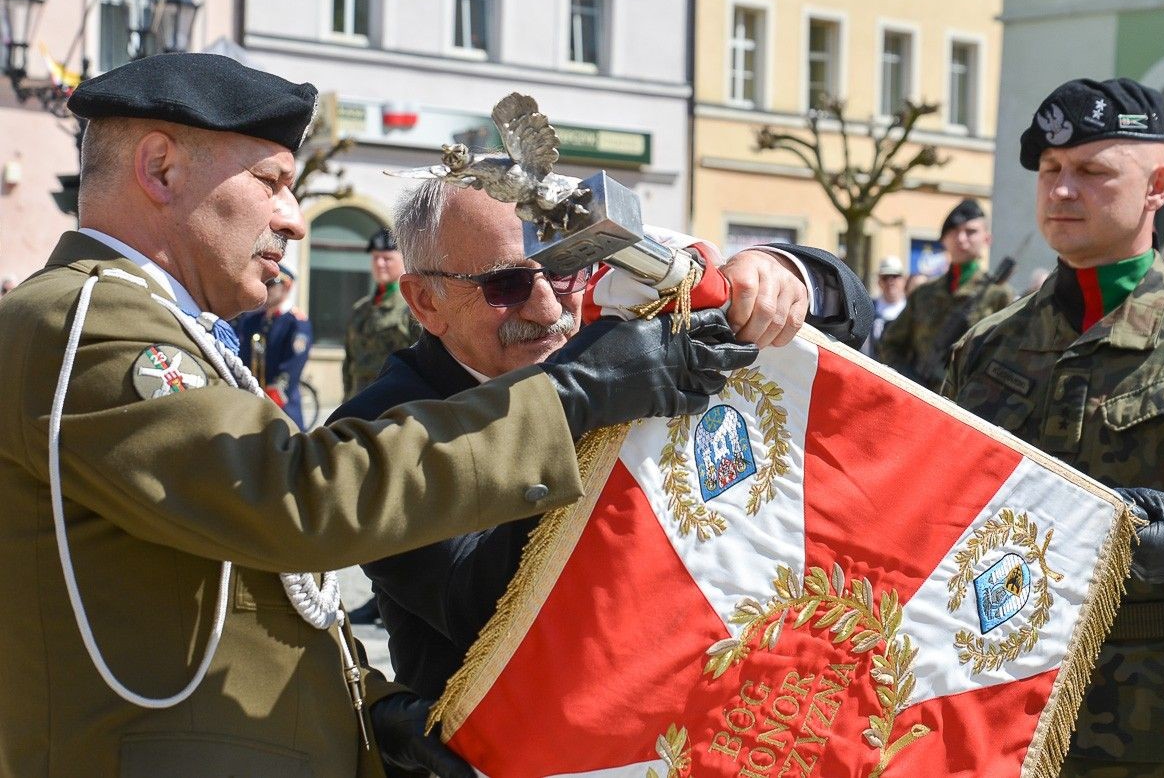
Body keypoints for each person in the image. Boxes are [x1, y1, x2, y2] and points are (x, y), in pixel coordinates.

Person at [0, 52, 758, 777]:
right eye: (272, 182)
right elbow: (291, 500)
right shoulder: (84, 319)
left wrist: (369, 711)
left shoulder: (152, 323)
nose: (294, 219)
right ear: (160, 168)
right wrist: (574, 394)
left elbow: (236, 592)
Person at [329, 179, 874, 775]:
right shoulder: (380, 429)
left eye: (564, 270)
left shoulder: (609, 332)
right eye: (504, 286)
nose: (547, 308)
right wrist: (577, 400)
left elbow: (849, 317)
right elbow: (481, 605)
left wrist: (779, 274)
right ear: (424, 301)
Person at [944, 77, 1164, 777]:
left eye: (1091, 171)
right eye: (1050, 169)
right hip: (994, 705)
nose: (1061, 190)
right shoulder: (988, 345)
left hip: (1157, 725)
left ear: (1157, 188)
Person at [879, 199, 1013, 389]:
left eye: (971, 232)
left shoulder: (999, 295)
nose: (961, 239)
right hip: (919, 395)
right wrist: (907, 378)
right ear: (943, 240)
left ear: (987, 238)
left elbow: (1009, 357)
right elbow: (890, 344)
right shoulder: (923, 294)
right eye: (954, 231)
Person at [343, 227, 420, 399]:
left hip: (395, 401)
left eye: (387, 259)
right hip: (358, 401)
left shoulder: (413, 307)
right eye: (375, 258)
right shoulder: (361, 309)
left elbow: (424, 362)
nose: (379, 264)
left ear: (404, 260)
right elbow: (349, 363)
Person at [233, 264, 312, 427]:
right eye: (263, 282)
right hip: (250, 404)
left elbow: (291, 368)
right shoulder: (252, 320)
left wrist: (268, 401)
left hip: (281, 409)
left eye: (270, 283)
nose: (265, 288)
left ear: (286, 287)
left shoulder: (296, 323)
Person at [863, 255, 907, 358]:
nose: (890, 281)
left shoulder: (912, 310)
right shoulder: (868, 309)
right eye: (886, 277)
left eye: (895, 276)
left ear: (904, 279)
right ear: (879, 280)